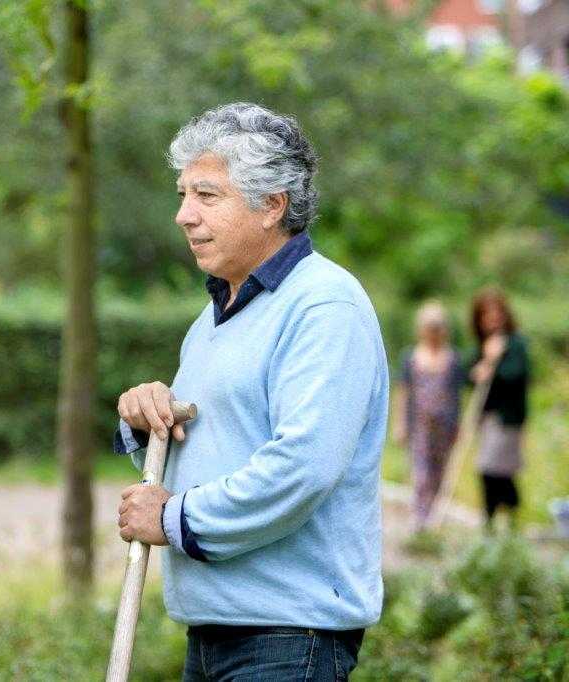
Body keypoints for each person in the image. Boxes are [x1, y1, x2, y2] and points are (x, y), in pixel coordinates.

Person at [113, 103, 388, 681]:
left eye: (206, 196)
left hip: (289, 637)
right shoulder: (215, 318)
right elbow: (214, 445)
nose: (183, 215)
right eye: (184, 193)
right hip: (219, 632)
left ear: (273, 205)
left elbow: (302, 467)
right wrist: (147, 421)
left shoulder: (323, 306)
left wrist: (173, 519)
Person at [393, 302, 463, 531]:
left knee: (440, 472)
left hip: (445, 425)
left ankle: (434, 518)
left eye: (438, 327)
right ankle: (420, 519)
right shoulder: (411, 357)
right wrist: (400, 423)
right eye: (430, 327)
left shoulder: (452, 358)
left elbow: (456, 395)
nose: (434, 332)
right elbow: (403, 392)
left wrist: (458, 425)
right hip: (419, 424)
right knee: (421, 473)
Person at [469, 287, 530, 531]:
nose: (492, 319)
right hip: (486, 419)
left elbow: (516, 375)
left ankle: (504, 516)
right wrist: (483, 364)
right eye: (486, 314)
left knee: (493, 469)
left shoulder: (515, 344)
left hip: (507, 419)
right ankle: (495, 521)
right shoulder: (483, 345)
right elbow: (471, 372)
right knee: (493, 470)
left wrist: (494, 362)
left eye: (496, 313)